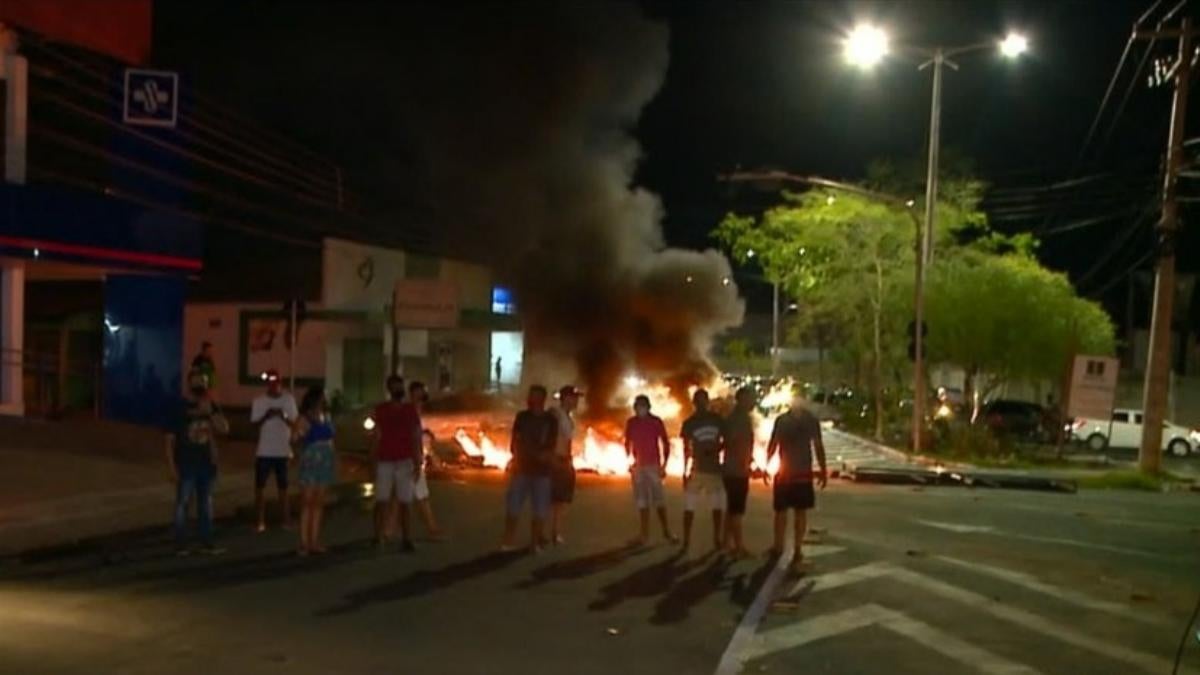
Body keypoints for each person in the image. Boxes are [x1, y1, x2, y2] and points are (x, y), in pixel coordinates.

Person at [166, 368, 229, 556]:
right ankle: (180, 543)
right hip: (186, 462)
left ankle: (206, 541)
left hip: (206, 462)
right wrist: (171, 466)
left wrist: (210, 413)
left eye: (203, 383)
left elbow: (224, 429)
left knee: (206, 503)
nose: (200, 386)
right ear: (190, 385)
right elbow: (169, 439)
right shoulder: (180, 408)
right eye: (196, 382)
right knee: (183, 503)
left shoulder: (211, 406)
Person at [766, 396, 828, 575]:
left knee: (781, 512)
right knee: (800, 513)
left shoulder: (782, 421)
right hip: (802, 474)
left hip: (785, 474)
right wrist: (822, 470)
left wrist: (766, 464)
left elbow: (773, 444)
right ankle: (797, 548)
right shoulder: (811, 421)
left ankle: (779, 546)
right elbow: (818, 446)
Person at [500, 385, 558, 553]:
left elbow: (551, 444)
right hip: (522, 469)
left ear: (542, 399)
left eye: (534, 397)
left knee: (539, 510)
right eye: (530, 396)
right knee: (513, 507)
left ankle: (534, 543)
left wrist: (544, 455)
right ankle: (508, 540)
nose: (531, 400)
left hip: (542, 471)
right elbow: (515, 439)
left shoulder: (550, 420)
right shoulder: (522, 417)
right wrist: (516, 455)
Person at [371, 375, 423, 553]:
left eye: (399, 387)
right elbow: (377, 436)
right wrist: (373, 460)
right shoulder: (382, 410)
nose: (398, 390)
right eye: (395, 387)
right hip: (386, 460)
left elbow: (416, 436)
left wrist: (417, 461)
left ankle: (406, 538)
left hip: (403, 460)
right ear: (389, 390)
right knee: (382, 500)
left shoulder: (409, 410)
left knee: (405, 501)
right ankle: (378, 536)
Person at [624, 394, 678, 546]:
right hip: (638, 467)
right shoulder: (631, 423)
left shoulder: (656, 422)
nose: (639, 409)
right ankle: (644, 534)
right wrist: (630, 462)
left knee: (659, 500)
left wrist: (664, 465)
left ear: (648, 407)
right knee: (642, 502)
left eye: (642, 406)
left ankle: (666, 531)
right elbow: (627, 442)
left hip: (653, 466)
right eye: (637, 406)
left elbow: (665, 443)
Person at [250, 369, 297, 532]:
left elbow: (295, 424)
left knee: (283, 488)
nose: (273, 384)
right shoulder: (259, 401)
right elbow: (253, 425)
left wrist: (283, 416)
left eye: (276, 381)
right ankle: (260, 521)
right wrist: (266, 416)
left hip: (282, 451)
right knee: (260, 488)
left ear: (280, 382)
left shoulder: (288, 400)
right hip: (264, 451)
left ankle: (286, 519)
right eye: (270, 382)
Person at [681, 388, 726, 554]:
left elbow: (727, 441)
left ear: (707, 402)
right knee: (689, 507)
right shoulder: (690, 423)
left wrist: (716, 451)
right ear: (694, 403)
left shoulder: (717, 420)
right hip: (698, 470)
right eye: (698, 401)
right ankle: (687, 539)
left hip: (713, 470)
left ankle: (716, 538)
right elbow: (686, 449)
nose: (700, 404)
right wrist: (685, 472)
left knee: (716, 507)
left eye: (703, 401)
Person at [294, 387, 336, 556]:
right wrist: (300, 434)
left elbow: (332, 439)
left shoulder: (326, 417)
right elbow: (295, 438)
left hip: (324, 460)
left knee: (318, 502)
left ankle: (314, 540)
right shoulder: (305, 418)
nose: (323, 401)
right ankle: (304, 542)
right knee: (307, 502)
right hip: (311, 459)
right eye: (321, 398)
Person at [408, 381, 446, 541]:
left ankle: (386, 531)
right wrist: (418, 461)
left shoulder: (416, 412)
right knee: (415, 496)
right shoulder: (410, 413)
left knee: (416, 496)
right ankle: (432, 529)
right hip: (410, 460)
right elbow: (412, 437)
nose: (421, 398)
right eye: (419, 394)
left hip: (413, 459)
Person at [722, 386, 757, 559]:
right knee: (737, 509)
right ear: (742, 400)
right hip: (736, 471)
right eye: (752, 398)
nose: (754, 402)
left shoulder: (736, 418)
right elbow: (736, 443)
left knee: (731, 507)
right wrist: (745, 463)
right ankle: (739, 547)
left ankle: (726, 542)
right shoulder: (740, 419)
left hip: (732, 469)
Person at [549, 385, 580, 545]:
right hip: (556, 460)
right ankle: (542, 533)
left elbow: (567, 441)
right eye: (574, 397)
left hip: (565, 461)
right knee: (551, 499)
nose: (576, 401)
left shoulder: (568, 419)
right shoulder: (556, 415)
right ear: (565, 398)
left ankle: (556, 532)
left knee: (561, 500)